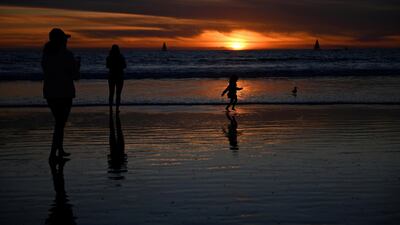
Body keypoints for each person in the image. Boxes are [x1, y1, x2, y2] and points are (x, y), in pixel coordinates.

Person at [41, 28, 80, 159]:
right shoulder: (67, 55)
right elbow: (75, 75)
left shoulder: (46, 55)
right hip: (64, 92)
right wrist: (77, 65)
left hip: (50, 92)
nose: (66, 41)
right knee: (60, 123)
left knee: (59, 122)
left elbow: (46, 72)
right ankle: (53, 152)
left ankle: (59, 149)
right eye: (65, 39)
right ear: (61, 40)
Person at [106, 45, 126, 113]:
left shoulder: (109, 57)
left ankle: (111, 108)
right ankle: (117, 108)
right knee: (118, 93)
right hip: (119, 76)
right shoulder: (121, 57)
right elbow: (124, 66)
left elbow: (107, 66)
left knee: (111, 93)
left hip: (111, 76)